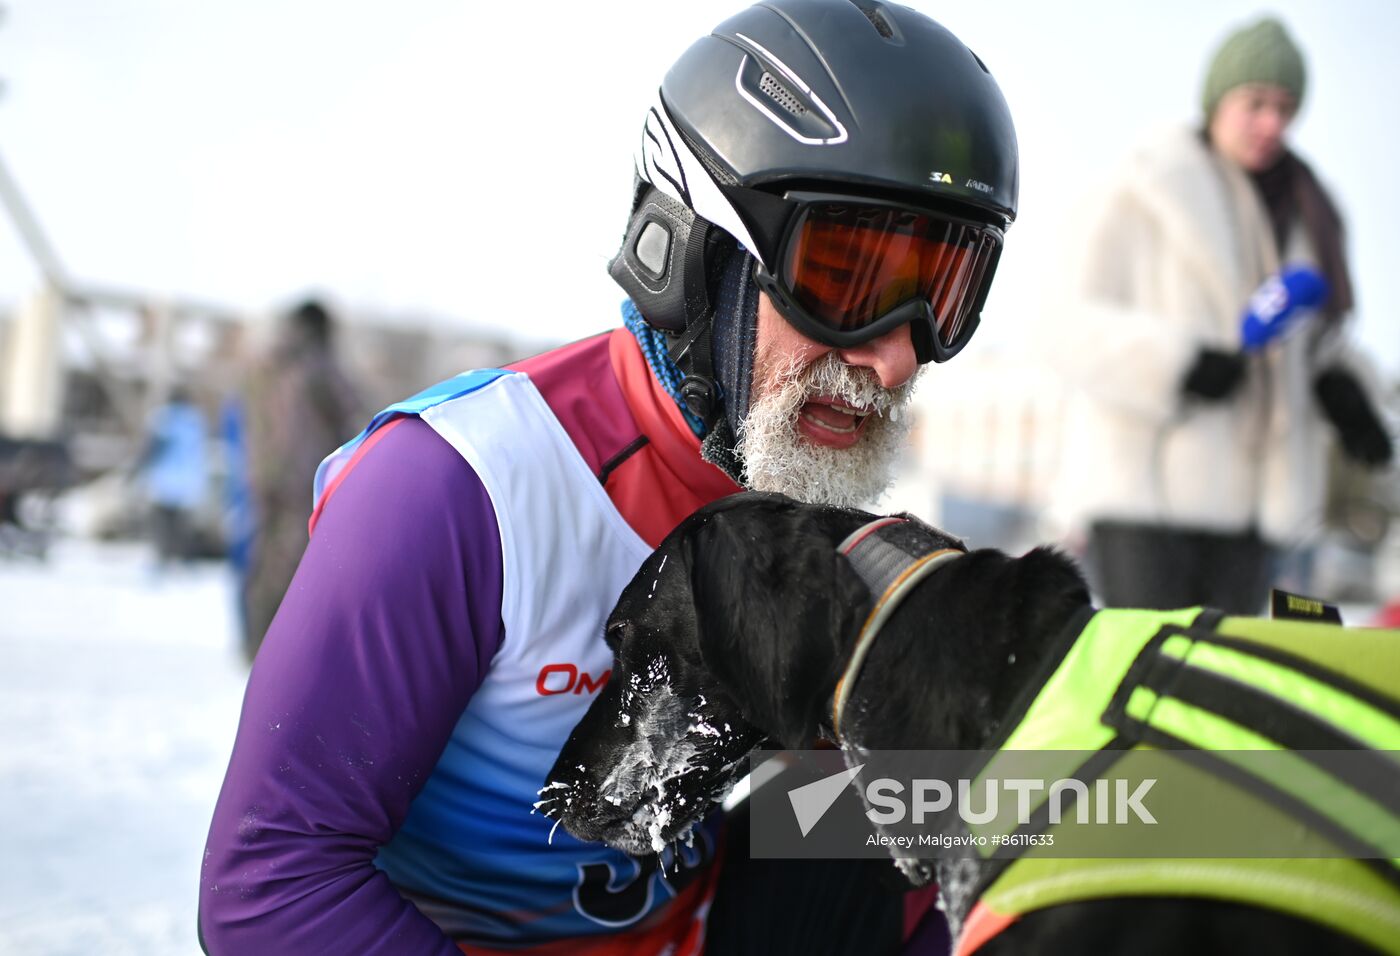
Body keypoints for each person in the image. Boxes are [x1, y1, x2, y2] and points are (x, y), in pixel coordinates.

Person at [199, 1, 1018, 953]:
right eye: (848, 279)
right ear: (690, 250)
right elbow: (271, 886)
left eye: (946, 295)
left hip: (700, 923)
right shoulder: (462, 490)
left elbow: (856, 851)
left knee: (993, 805)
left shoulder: (813, 512)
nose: (896, 359)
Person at [1043, 15, 1392, 615]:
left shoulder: (1309, 214)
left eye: (1286, 108)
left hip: (1258, 510)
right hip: (1146, 500)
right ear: (1216, 100)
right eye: (1255, 103)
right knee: (1149, 675)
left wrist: (1345, 390)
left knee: (1223, 681)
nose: (1271, 124)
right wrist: (1177, 365)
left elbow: (1318, 338)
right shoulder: (1141, 190)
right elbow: (1062, 323)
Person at [238, 297, 363, 661]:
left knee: (262, 555)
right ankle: (281, 650)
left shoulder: (262, 362)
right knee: (295, 562)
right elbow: (353, 410)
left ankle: (254, 641)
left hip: (262, 473)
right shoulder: (317, 362)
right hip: (304, 477)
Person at [140, 384, 209, 567]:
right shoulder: (195, 421)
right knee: (183, 527)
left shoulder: (163, 419)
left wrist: (139, 472)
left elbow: (150, 450)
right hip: (188, 483)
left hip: (164, 480)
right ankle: (186, 560)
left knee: (163, 525)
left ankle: (164, 558)